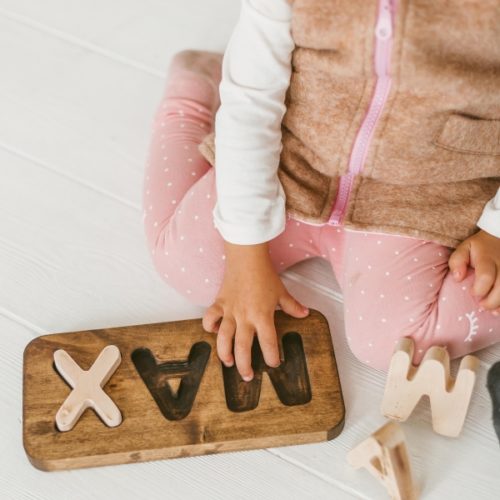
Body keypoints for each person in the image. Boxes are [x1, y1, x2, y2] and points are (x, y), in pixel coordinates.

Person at [142, 0, 500, 381]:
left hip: (426, 196)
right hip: (294, 165)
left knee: (395, 346)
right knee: (185, 268)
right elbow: (251, 105)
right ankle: (190, 99)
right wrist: (245, 257)